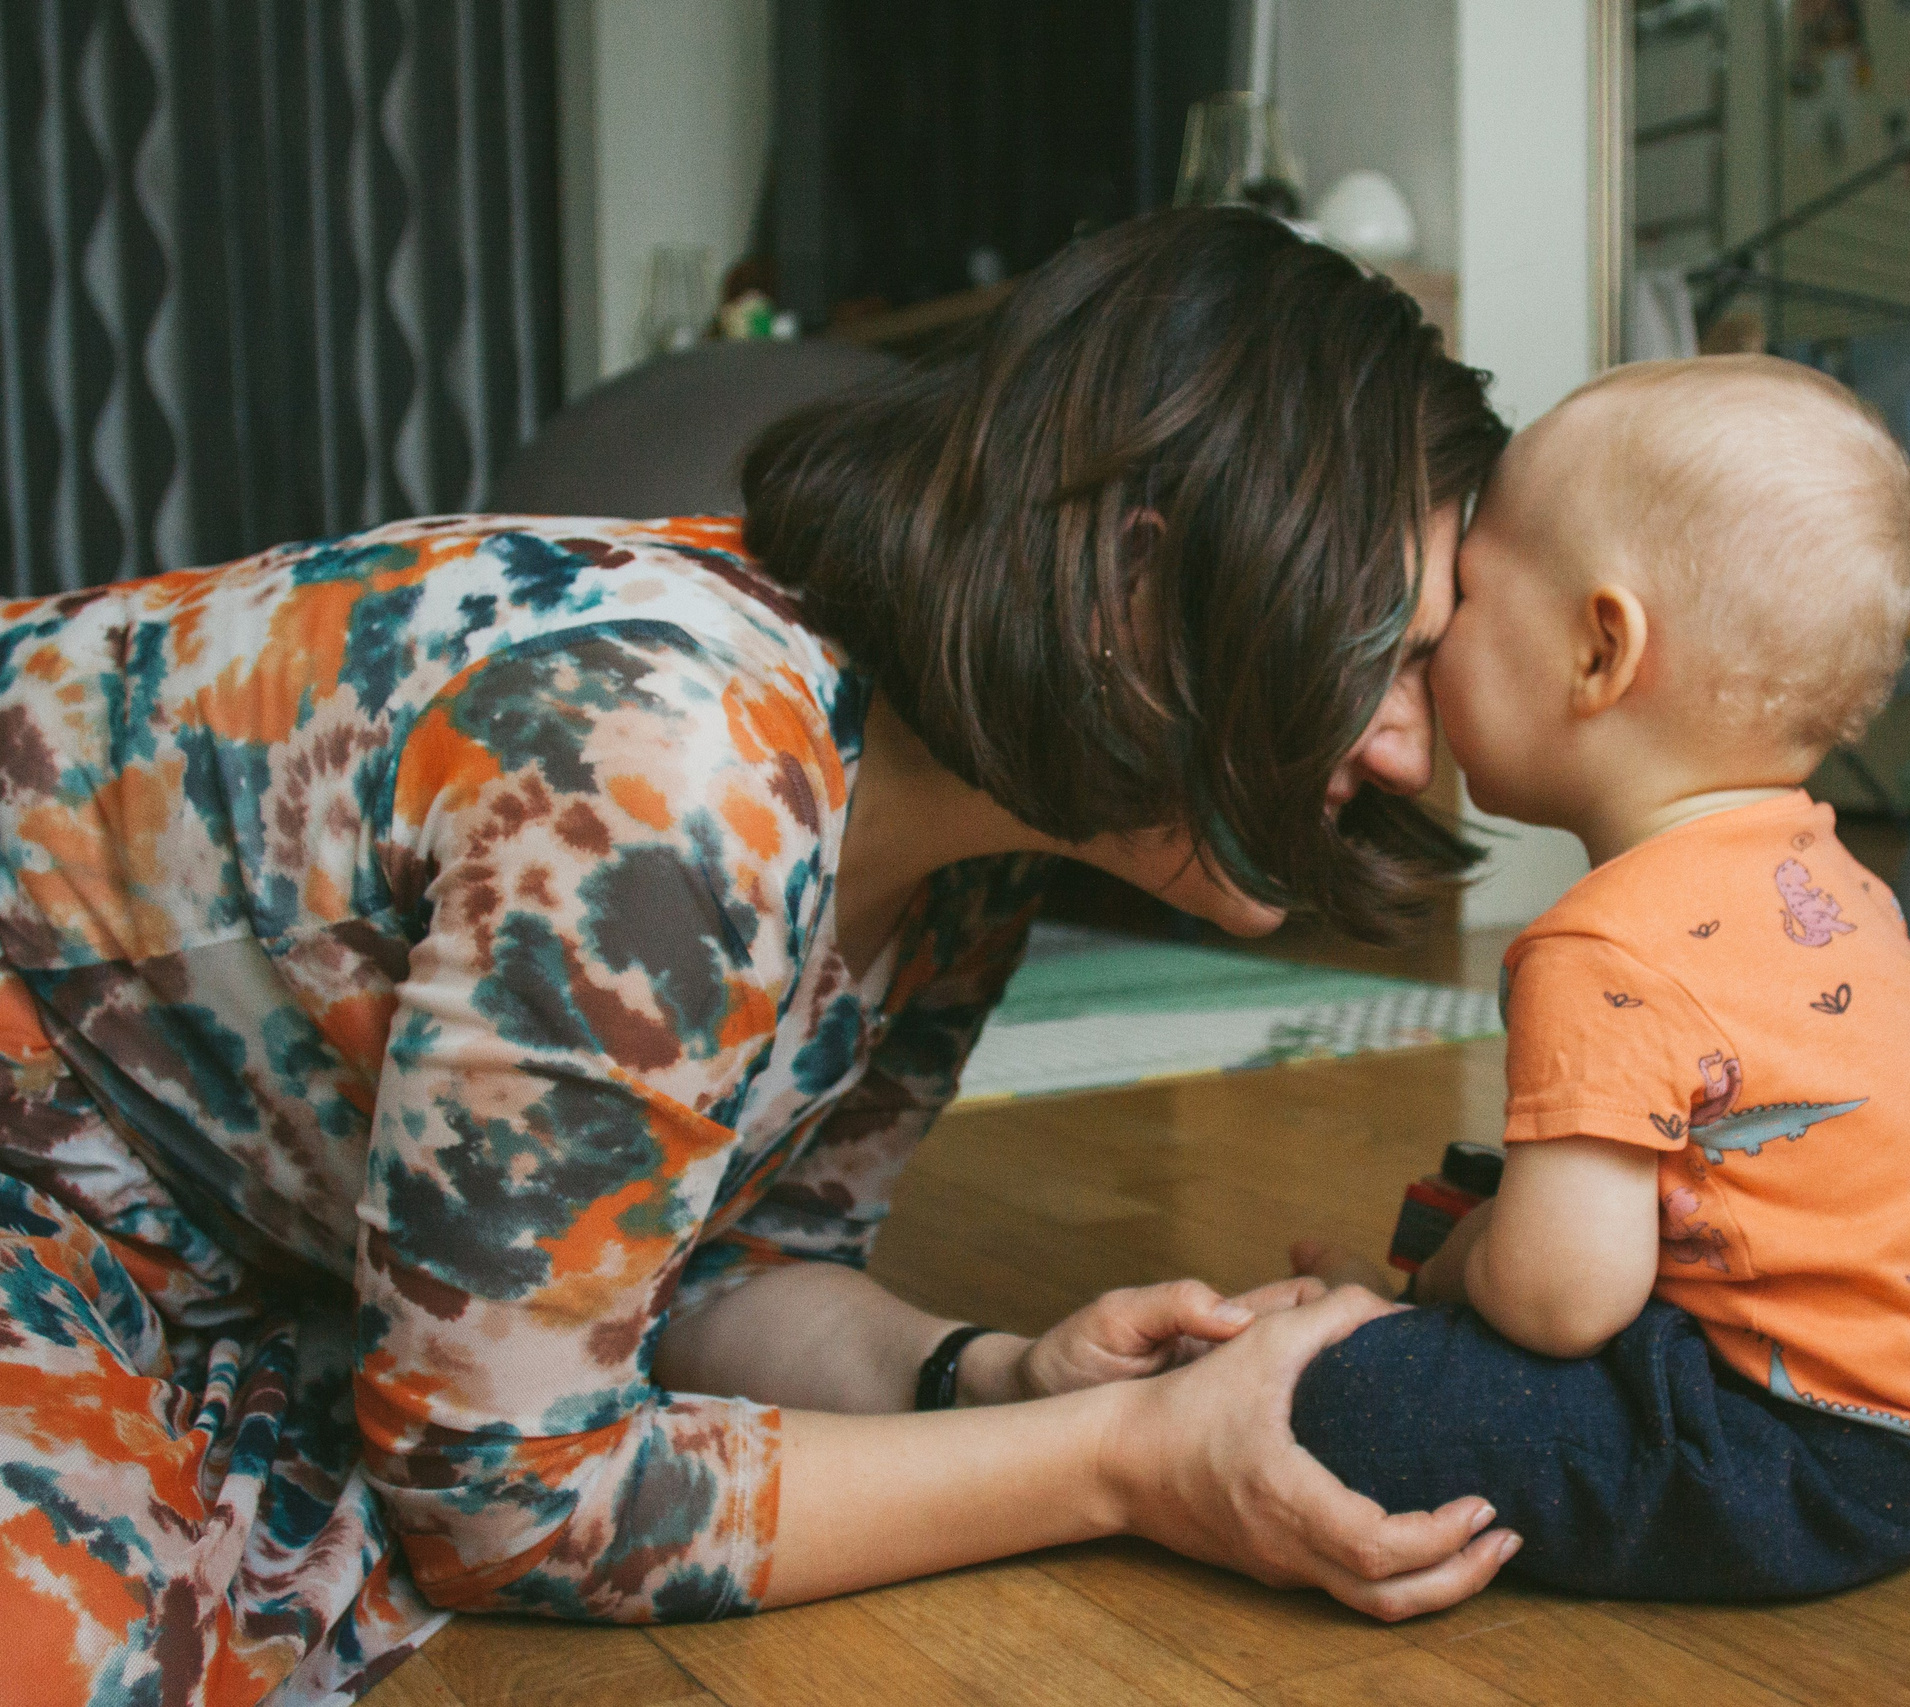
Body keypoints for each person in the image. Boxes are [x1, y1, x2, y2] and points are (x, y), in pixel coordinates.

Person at [0, 209, 1519, 1707]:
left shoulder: (964, 840)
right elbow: (503, 1501)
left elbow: (718, 1269)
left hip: (187, 1216)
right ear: (1138, 583)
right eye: (1377, 645)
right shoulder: (670, 781)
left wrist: (989, 1374)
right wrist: (1123, 1465)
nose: (1403, 742)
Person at [1289, 355, 1910, 1599]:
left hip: (1790, 1462)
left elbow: (1564, 1300)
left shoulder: (1604, 947)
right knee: (1536, 1179)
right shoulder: (1830, 879)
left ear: (1598, 648)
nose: (1431, 653)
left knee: (1341, 1393)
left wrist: (1448, 1276)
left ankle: (1377, 1334)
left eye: (1464, 599)